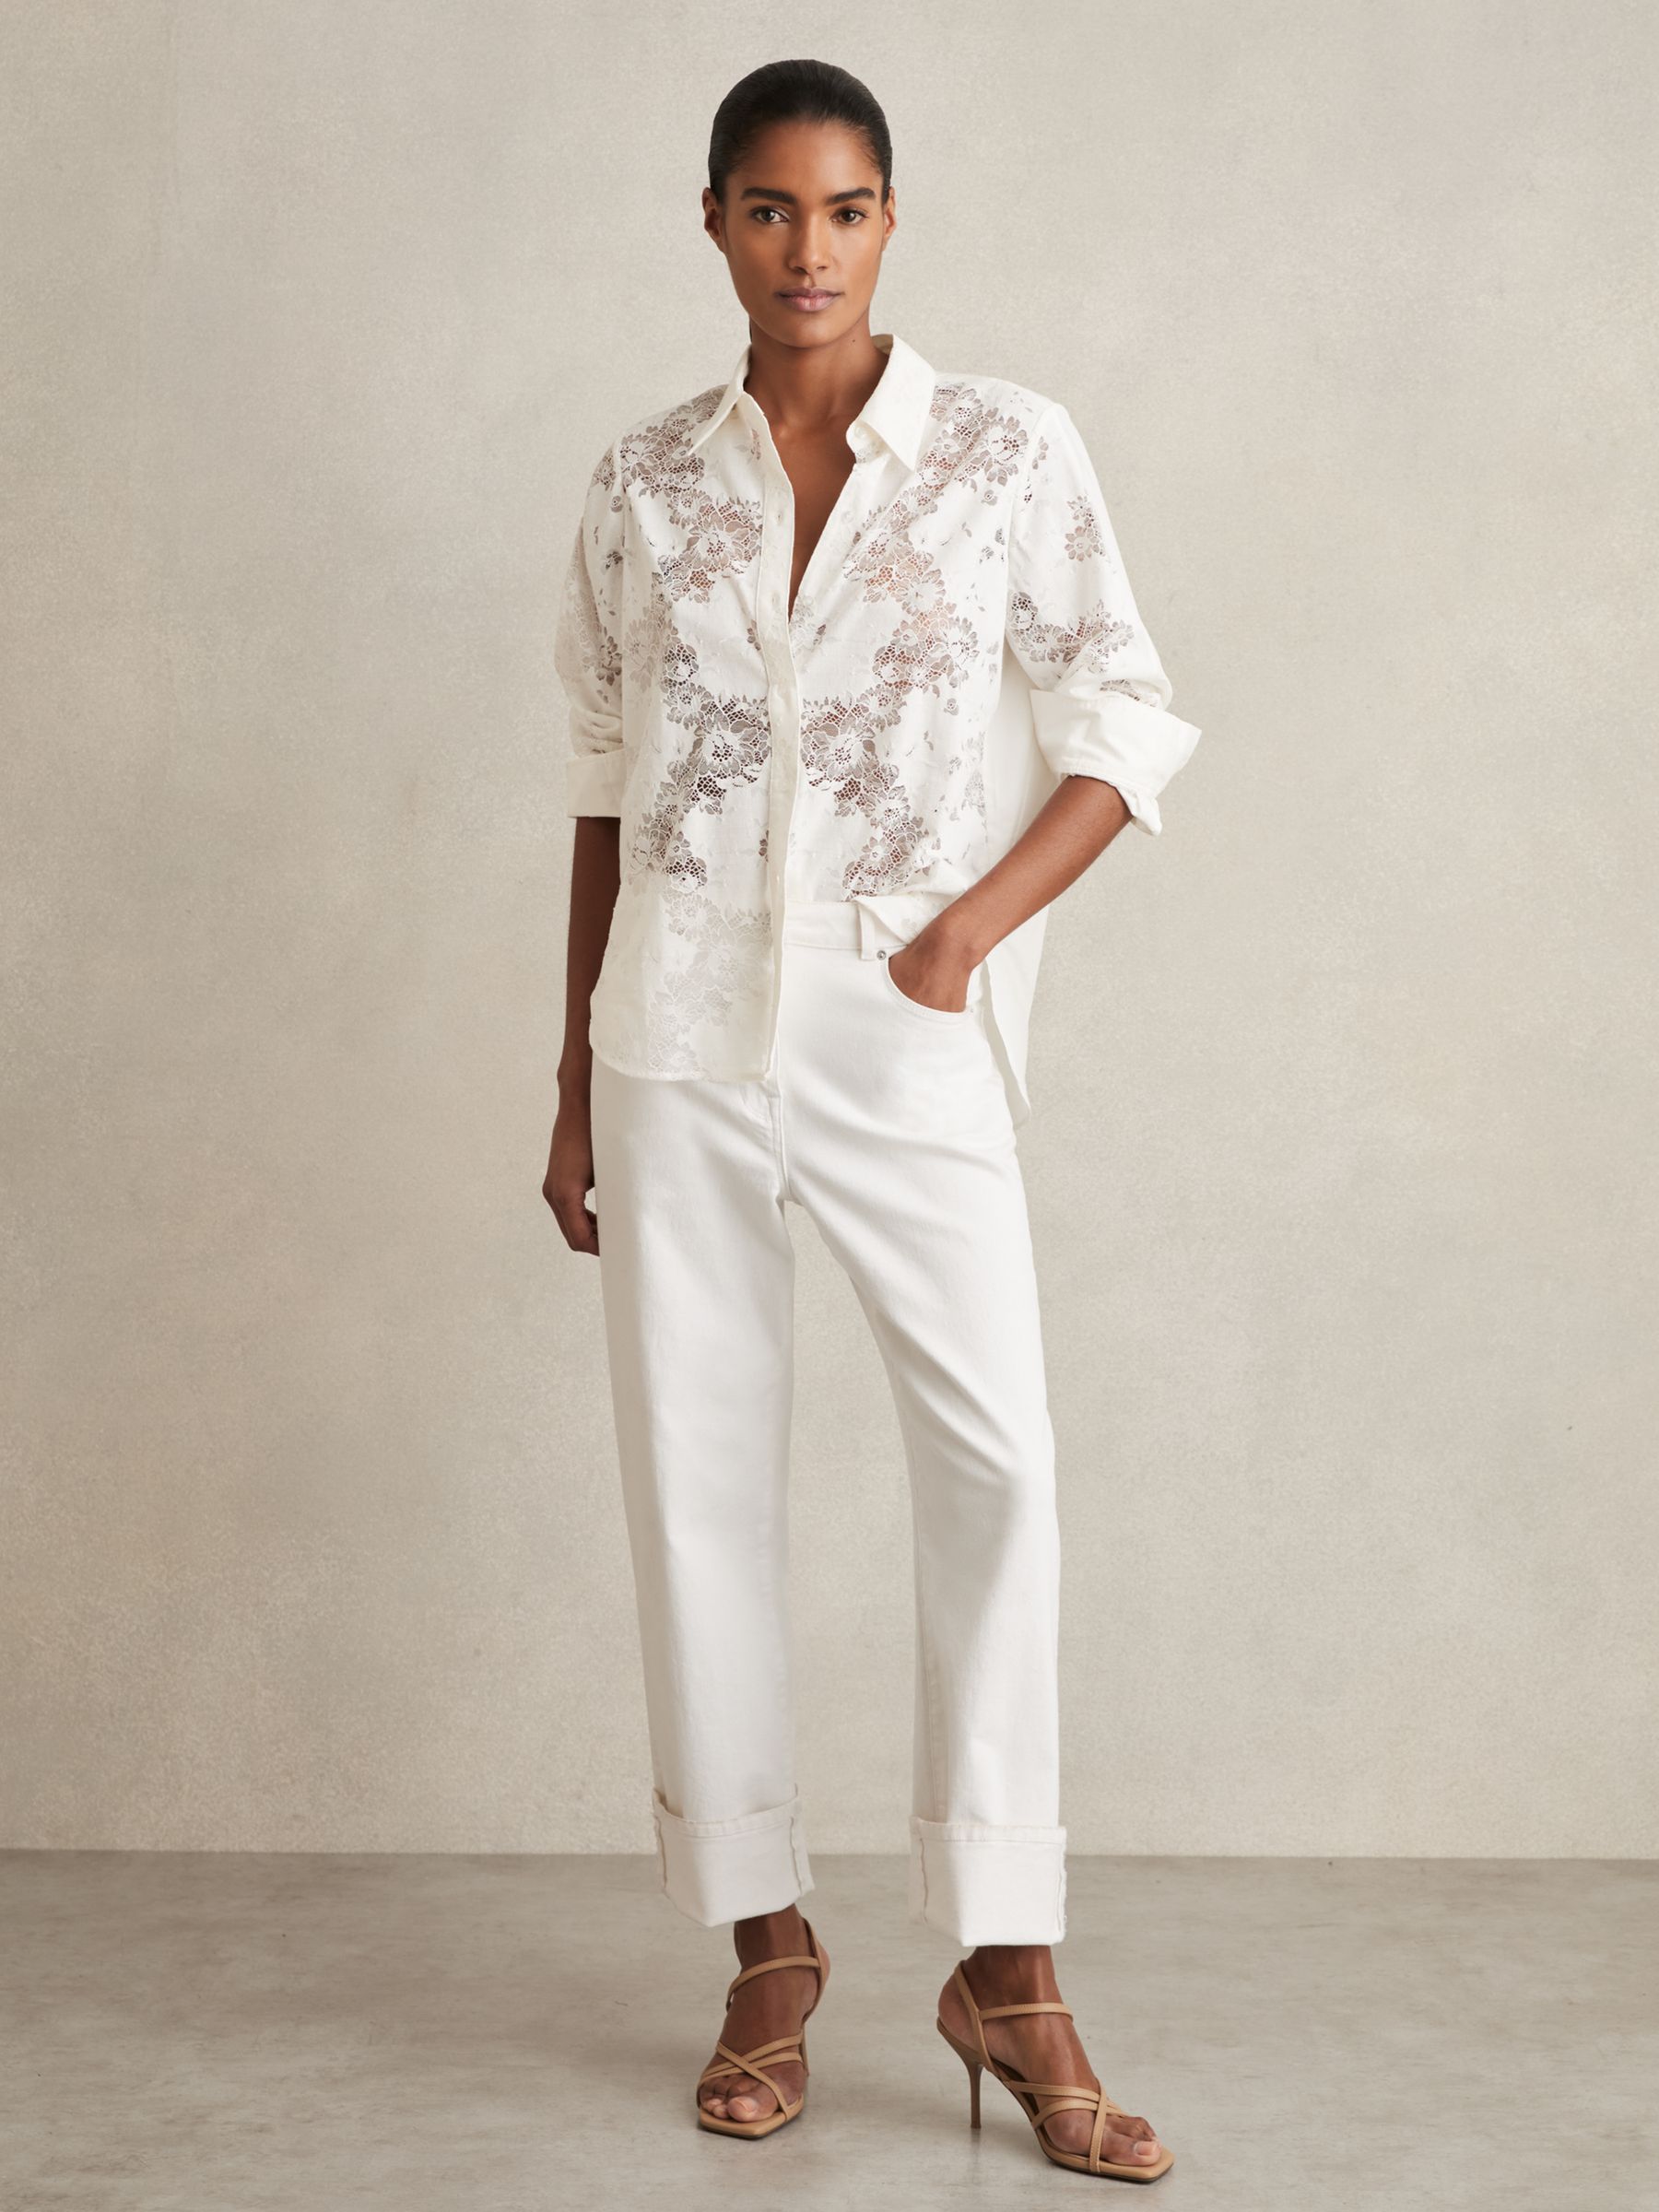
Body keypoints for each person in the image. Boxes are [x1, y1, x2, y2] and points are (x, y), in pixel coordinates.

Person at [545, 56, 1199, 2182]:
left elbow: (1121, 721)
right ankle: (766, 1947)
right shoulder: (647, 480)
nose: (805, 248)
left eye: (842, 210)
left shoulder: (1005, 451)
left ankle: (1009, 1965)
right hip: (675, 1030)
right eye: (767, 208)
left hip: (902, 1021)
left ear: (889, 222)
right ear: (714, 222)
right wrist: (571, 1073)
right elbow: (604, 782)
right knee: (695, 1482)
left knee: (997, 1468)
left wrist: (962, 942)